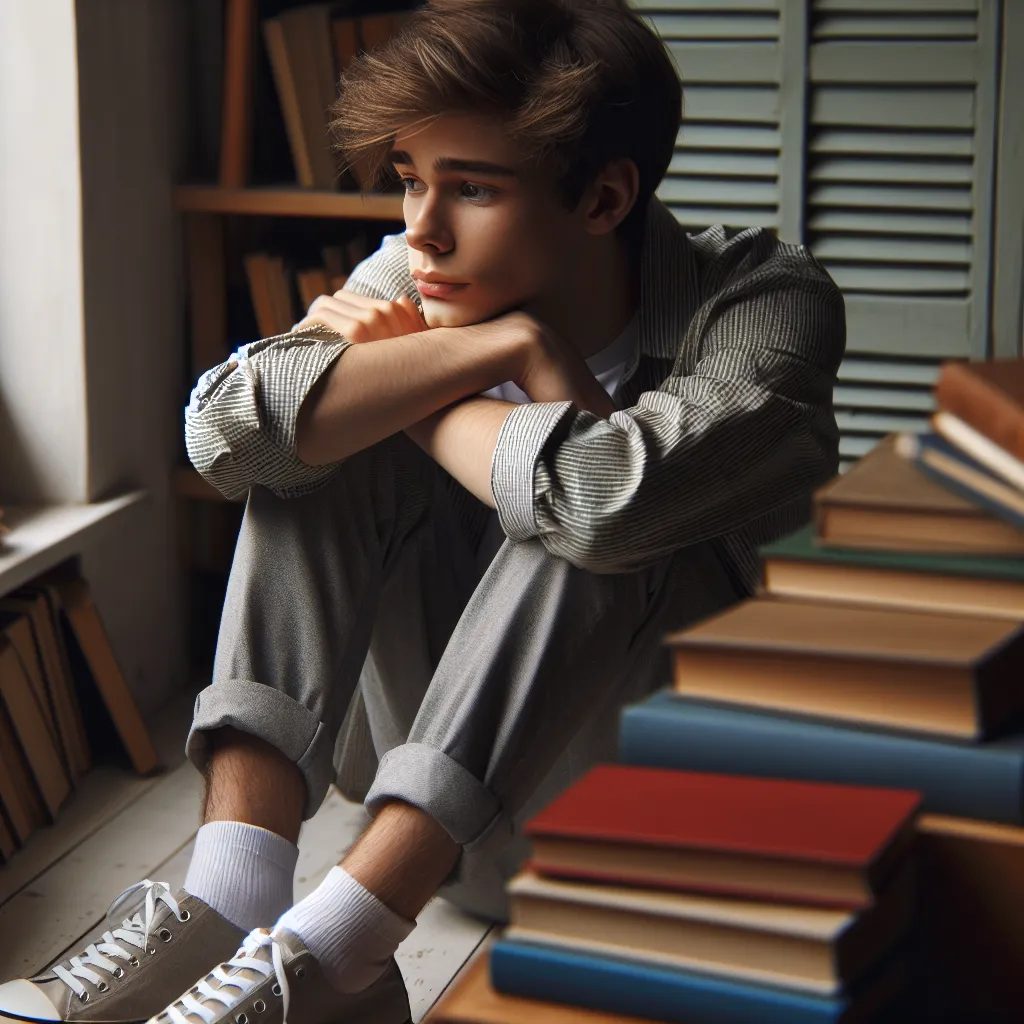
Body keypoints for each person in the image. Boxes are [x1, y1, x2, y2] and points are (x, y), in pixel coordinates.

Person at [0, 1, 844, 1022]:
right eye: (409, 180)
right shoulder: (421, 269)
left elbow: (603, 500)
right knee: (318, 446)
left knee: (601, 509)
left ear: (605, 197)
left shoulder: (762, 297)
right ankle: (235, 897)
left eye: (471, 189)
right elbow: (224, 432)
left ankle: (341, 946)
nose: (419, 228)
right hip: (446, 834)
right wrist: (493, 354)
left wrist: (418, 382)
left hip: (662, 838)